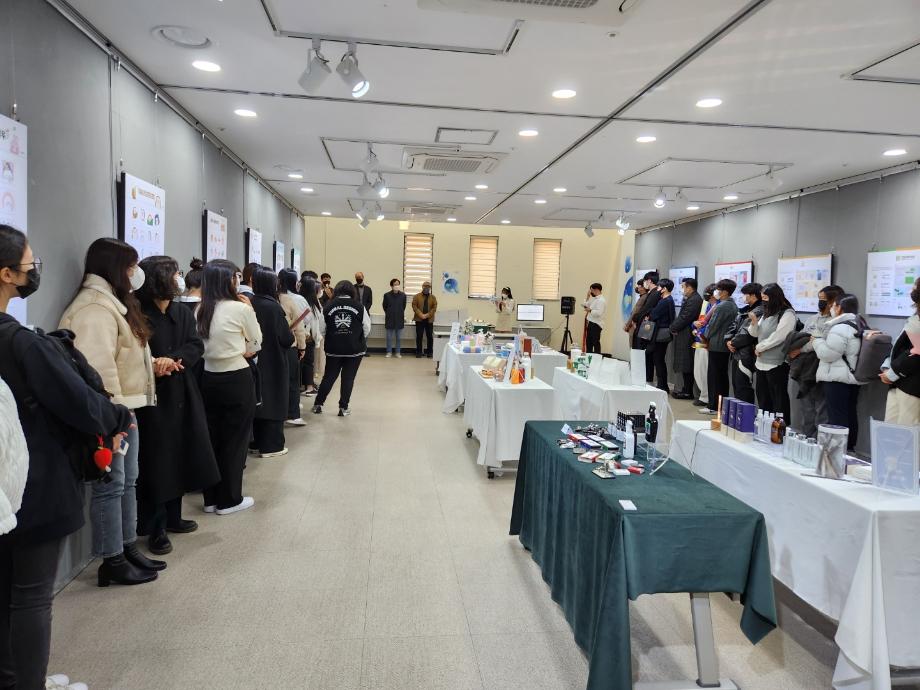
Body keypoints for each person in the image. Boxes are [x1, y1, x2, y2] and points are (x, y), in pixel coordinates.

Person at [0, 226, 132, 690]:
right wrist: (117, 417)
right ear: (7, 274)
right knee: (31, 594)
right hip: (32, 481)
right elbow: (80, 403)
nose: (34, 270)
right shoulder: (23, 343)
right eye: (29, 263)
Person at [59, 237, 163, 585]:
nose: (136, 273)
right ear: (115, 268)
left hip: (124, 410)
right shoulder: (94, 309)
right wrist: (111, 419)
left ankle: (127, 545)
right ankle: (112, 558)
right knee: (111, 485)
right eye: (131, 267)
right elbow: (98, 371)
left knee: (127, 481)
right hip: (110, 413)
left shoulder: (115, 303)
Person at [134, 256, 219, 555]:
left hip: (183, 390)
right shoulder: (137, 313)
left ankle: (174, 516)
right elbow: (132, 354)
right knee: (158, 460)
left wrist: (175, 359)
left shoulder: (181, 311)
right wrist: (155, 364)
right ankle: (155, 527)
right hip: (152, 397)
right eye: (174, 274)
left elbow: (195, 344)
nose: (179, 279)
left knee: (181, 454)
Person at [197, 261, 262, 514]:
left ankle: (211, 499)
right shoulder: (240, 308)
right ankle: (229, 500)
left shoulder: (200, 309)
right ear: (229, 280)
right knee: (235, 441)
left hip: (208, 377)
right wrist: (244, 349)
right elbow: (256, 341)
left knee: (212, 438)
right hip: (236, 377)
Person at [250, 268, 295, 457]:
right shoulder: (273, 307)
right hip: (273, 361)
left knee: (258, 399)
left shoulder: (249, 302)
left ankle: (255, 442)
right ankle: (272, 446)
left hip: (253, 360)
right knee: (274, 399)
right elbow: (286, 338)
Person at [813, 294, 867, 449]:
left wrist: (817, 341)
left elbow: (828, 354)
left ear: (840, 308)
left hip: (837, 378)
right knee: (850, 414)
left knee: (837, 416)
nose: (831, 308)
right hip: (852, 377)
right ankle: (849, 448)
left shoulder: (840, 328)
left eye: (833, 306)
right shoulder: (859, 323)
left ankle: (838, 451)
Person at [788, 285, 843, 436]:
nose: (821, 302)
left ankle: (819, 441)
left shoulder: (835, 322)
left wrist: (802, 349)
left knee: (821, 409)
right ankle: (807, 438)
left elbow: (821, 341)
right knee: (807, 408)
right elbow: (803, 336)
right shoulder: (812, 318)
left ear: (833, 301)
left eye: (824, 299)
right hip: (804, 369)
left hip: (821, 368)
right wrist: (803, 345)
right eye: (819, 299)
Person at [312, 280, 371, 416]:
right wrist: (357, 337)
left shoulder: (328, 306)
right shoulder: (359, 306)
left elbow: (322, 329)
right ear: (352, 291)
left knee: (329, 377)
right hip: (354, 350)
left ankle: (318, 405)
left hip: (334, 349)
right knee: (348, 378)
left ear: (337, 291)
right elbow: (367, 327)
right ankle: (343, 408)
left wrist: (333, 338)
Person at [747, 283, 796, 424]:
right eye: (762, 298)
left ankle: (781, 428)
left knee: (778, 399)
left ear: (774, 297)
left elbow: (779, 336)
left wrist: (760, 347)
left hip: (777, 363)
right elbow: (755, 333)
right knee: (763, 398)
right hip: (761, 363)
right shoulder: (767, 312)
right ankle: (765, 427)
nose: (764, 301)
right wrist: (754, 322)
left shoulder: (787, 313)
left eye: (766, 298)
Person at [881, 280, 920, 426]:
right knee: (891, 428)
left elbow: (916, 353)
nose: (912, 291)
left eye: (915, 288)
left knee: (908, 429)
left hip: (912, 384)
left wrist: (892, 373)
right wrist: (887, 367)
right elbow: (900, 346)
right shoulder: (915, 317)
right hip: (899, 382)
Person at [701, 279, 738, 414]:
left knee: (714, 376)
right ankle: (719, 406)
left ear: (725, 292)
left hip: (717, 344)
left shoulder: (722, 306)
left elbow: (713, 325)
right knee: (721, 376)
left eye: (719, 290)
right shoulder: (732, 305)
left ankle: (713, 406)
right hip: (723, 345)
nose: (716, 292)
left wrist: (704, 335)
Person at [278, 268, 308, 426]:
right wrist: (302, 346)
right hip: (289, 346)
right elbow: (299, 326)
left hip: (267, 348)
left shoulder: (256, 299)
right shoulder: (289, 300)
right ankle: (293, 414)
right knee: (292, 381)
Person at [725, 283, 763, 405]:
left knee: (743, 386)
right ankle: (738, 414)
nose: (743, 297)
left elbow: (747, 333)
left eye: (745, 294)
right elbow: (733, 326)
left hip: (746, 353)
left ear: (753, 295)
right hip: (737, 351)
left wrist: (733, 342)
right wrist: (728, 340)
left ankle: (745, 414)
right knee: (736, 385)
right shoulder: (745, 310)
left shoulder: (759, 310)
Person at [669, 278, 703, 399]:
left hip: (687, 335)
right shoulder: (691, 298)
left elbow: (685, 317)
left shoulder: (695, 300)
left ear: (689, 287)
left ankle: (688, 391)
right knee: (684, 363)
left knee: (687, 363)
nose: (682, 289)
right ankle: (685, 389)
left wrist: (673, 327)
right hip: (684, 333)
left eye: (683, 287)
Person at [645, 278, 675, 391]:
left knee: (658, 359)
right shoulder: (668, 300)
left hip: (661, 334)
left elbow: (653, 314)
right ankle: (662, 384)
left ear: (664, 288)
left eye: (659, 287)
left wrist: (649, 315)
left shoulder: (664, 301)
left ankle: (662, 385)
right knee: (659, 359)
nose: (657, 289)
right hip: (663, 333)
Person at [631, 272, 661, 381]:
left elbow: (646, 309)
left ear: (649, 281)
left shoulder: (655, 293)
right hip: (645, 323)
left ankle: (645, 377)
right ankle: (643, 376)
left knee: (643, 350)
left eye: (644, 281)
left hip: (647, 325)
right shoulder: (652, 292)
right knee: (641, 349)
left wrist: (636, 318)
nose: (644, 284)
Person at [692, 284, 717, 408]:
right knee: (698, 371)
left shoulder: (718, 307)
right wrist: (694, 325)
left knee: (704, 371)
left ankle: (705, 397)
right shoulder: (705, 305)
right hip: (699, 340)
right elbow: (699, 321)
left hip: (707, 342)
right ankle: (703, 394)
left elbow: (712, 326)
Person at [297, 276, 323, 395]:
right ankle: (309, 386)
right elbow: (313, 323)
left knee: (305, 362)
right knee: (308, 362)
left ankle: (307, 385)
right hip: (309, 337)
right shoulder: (311, 303)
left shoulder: (304, 301)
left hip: (306, 336)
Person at [412, 281, 438, 358]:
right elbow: (414, 306)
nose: (426, 288)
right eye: (425, 286)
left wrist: (427, 315)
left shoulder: (433, 297)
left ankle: (430, 352)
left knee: (429, 336)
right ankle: (419, 352)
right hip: (419, 319)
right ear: (422, 287)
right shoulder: (417, 296)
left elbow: (434, 308)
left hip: (429, 320)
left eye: (428, 287)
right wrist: (420, 314)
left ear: (430, 288)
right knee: (419, 336)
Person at [382, 278, 406, 358]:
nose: (397, 286)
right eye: (395, 284)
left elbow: (403, 306)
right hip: (390, 319)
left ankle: (398, 352)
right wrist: (389, 313)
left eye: (398, 284)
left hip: (399, 319)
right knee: (389, 338)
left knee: (398, 338)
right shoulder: (387, 295)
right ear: (391, 286)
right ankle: (389, 352)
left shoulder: (403, 295)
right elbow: (384, 306)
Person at [581, 283, 606, 354]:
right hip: (591, 323)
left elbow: (599, 313)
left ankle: (597, 358)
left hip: (596, 324)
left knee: (595, 342)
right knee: (589, 342)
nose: (591, 292)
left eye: (591, 290)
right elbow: (584, 305)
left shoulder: (601, 300)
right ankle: (589, 357)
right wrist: (587, 296)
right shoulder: (594, 299)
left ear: (596, 290)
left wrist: (590, 310)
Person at [624, 281, 648, 349]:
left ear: (643, 287)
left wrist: (627, 325)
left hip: (635, 326)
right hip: (638, 326)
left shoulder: (643, 298)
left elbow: (635, 312)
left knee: (633, 347)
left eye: (638, 286)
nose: (637, 287)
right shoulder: (644, 297)